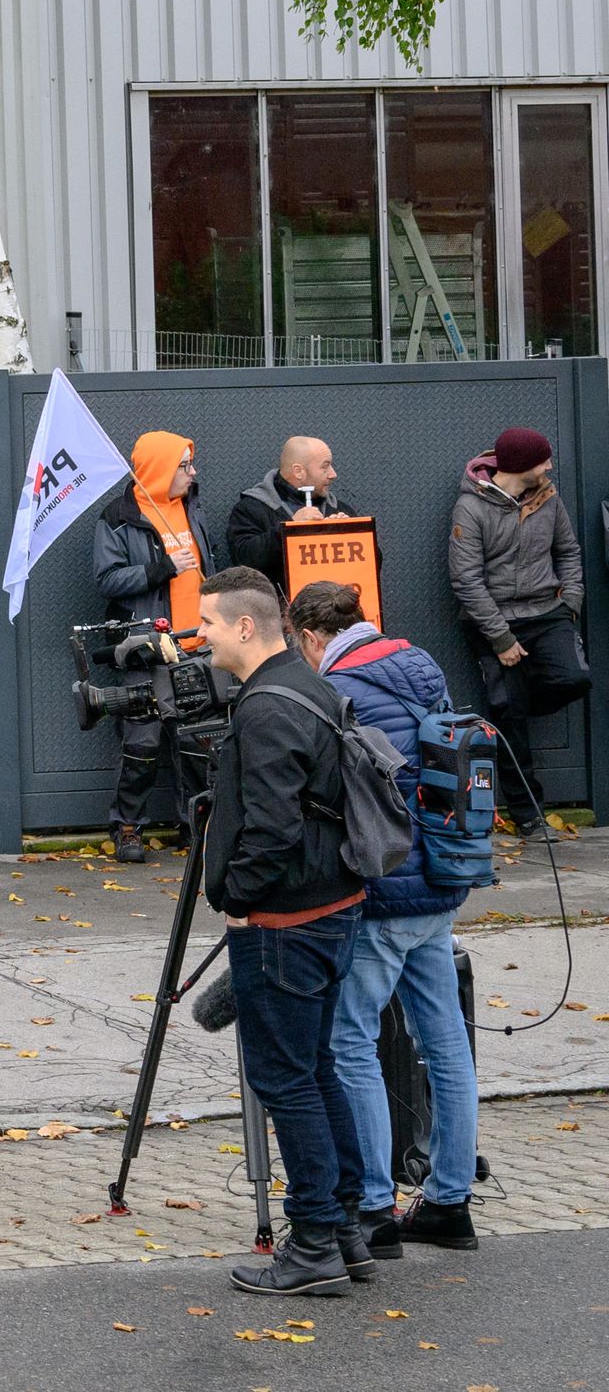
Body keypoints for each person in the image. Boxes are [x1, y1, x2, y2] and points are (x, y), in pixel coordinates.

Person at [194, 565, 372, 1298]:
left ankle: (315, 1244)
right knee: (315, 1068)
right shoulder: (310, 683)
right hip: (331, 907)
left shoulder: (266, 707)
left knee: (285, 1079)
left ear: (244, 626)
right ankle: (348, 1229)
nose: (197, 636)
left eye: (206, 622)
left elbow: (269, 825)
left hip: (285, 921)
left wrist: (236, 896)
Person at [300, 579, 479, 1259]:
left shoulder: (341, 688)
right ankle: (450, 1201)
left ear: (312, 636)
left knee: (351, 1041)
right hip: (440, 879)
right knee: (446, 1044)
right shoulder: (421, 667)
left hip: (381, 892)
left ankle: (374, 1204)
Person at [92, 431, 233, 859]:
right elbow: (106, 579)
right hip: (148, 646)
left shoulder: (193, 508)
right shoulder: (118, 518)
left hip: (199, 645)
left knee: (197, 743)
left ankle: (195, 827)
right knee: (142, 743)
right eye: (184, 466)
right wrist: (162, 568)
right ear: (159, 468)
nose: (193, 474)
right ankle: (128, 827)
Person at [447, 426, 586, 838]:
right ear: (523, 465)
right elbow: (466, 581)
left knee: (574, 678)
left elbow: (569, 551)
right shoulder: (470, 508)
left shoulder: (548, 497)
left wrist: (571, 604)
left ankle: (520, 700)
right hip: (494, 620)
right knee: (509, 717)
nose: (550, 466)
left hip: (548, 612)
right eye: (544, 460)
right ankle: (528, 815)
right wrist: (502, 639)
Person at [229, 436, 345, 584]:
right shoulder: (250, 509)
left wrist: (352, 532)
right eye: (325, 466)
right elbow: (243, 560)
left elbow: (371, 565)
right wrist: (288, 528)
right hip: (278, 605)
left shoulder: (337, 509)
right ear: (298, 471)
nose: (333, 474)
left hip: (332, 604)